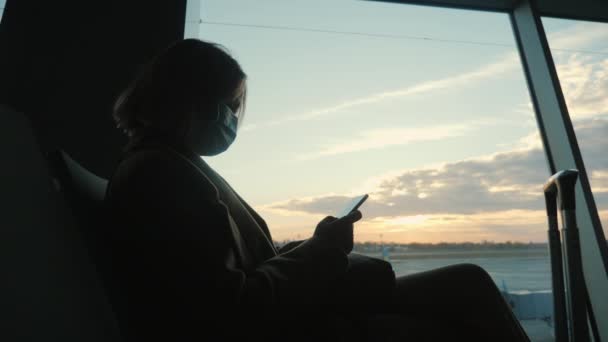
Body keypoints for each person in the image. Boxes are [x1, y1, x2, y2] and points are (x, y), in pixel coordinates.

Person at [104, 39, 530, 342]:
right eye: (230, 106)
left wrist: (310, 246)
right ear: (193, 100)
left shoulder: (169, 167)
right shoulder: (164, 178)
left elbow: (241, 273)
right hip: (292, 325)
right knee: (465, 287)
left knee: (460, 287)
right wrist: (321, 252)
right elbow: (233, 310)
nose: (234, 118)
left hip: (294, 311)